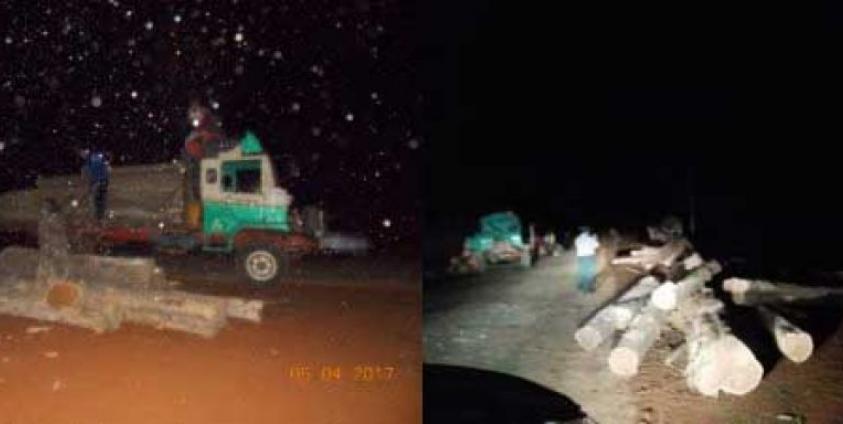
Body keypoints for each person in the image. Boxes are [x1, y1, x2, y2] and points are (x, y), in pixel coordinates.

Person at [182, 100, 227, 202]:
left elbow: (217, 135)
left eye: (196, 113)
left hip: (213, 154)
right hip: (200, 161)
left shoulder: (211, 121)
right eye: (192, 116)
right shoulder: (194, 133)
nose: (194, 118)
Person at [80, 148, 110, 223]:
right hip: (104, 182)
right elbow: (106, 167)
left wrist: (91, 186)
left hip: (98, 183)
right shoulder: (98, 156)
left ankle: (98, 219)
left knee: (96, 201)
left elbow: (90, 175)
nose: (81, 156)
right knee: (101, 201)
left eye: (82, 154)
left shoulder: (89, 161)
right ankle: (101, 218)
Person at [574, 226, 600, 293]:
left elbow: (576, 246)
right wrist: (595, 239)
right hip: (589, 256)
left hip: (581, 257)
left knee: (582, 270)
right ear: (587, 232)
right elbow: (597, 246)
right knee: (589, 272)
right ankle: (588, 288)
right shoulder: (590, 238)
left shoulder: (577, 239)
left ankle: (581, 284)